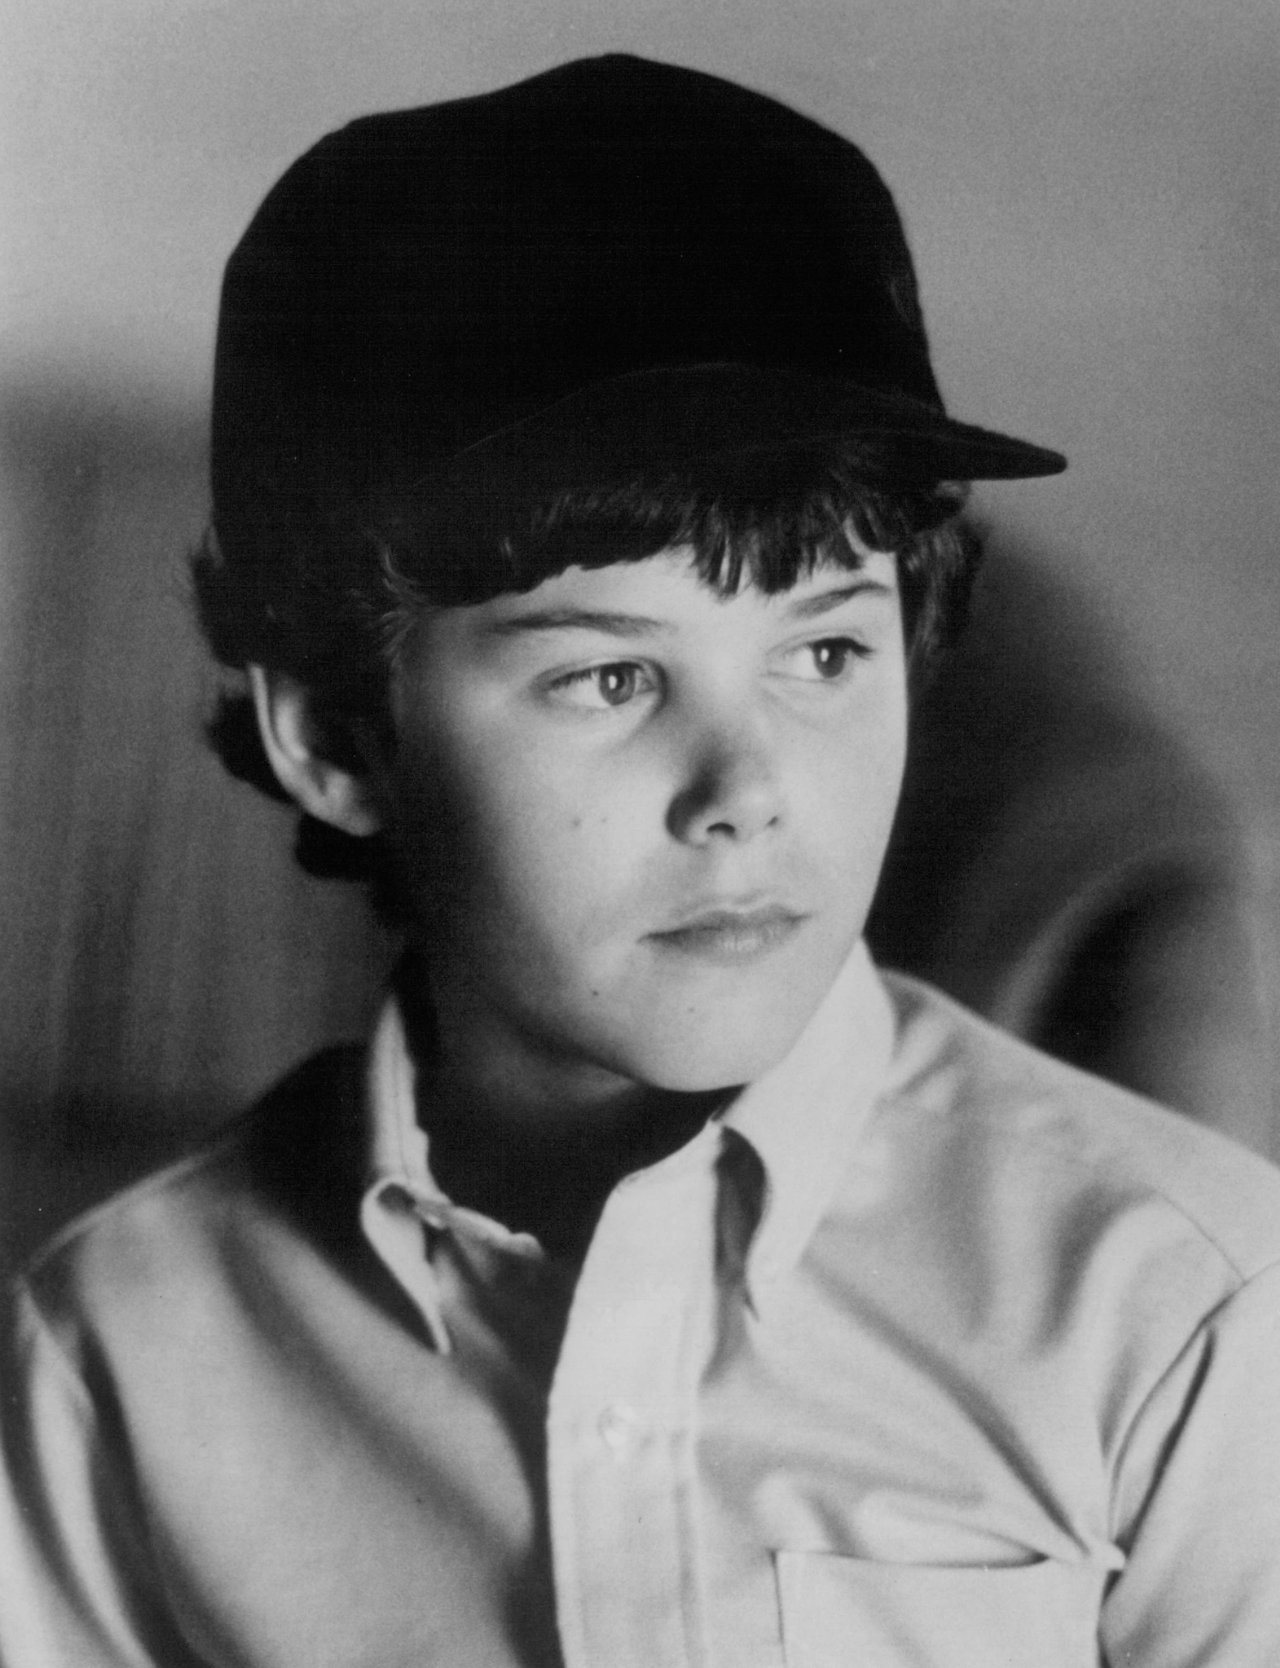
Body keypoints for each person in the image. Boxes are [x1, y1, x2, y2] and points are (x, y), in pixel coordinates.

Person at [3, 53, 1279, 1668]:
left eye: (826, 654)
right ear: (335, 737)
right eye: (610, 679)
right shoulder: (119, 1354)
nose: (748, 793)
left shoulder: (1188, 1315)